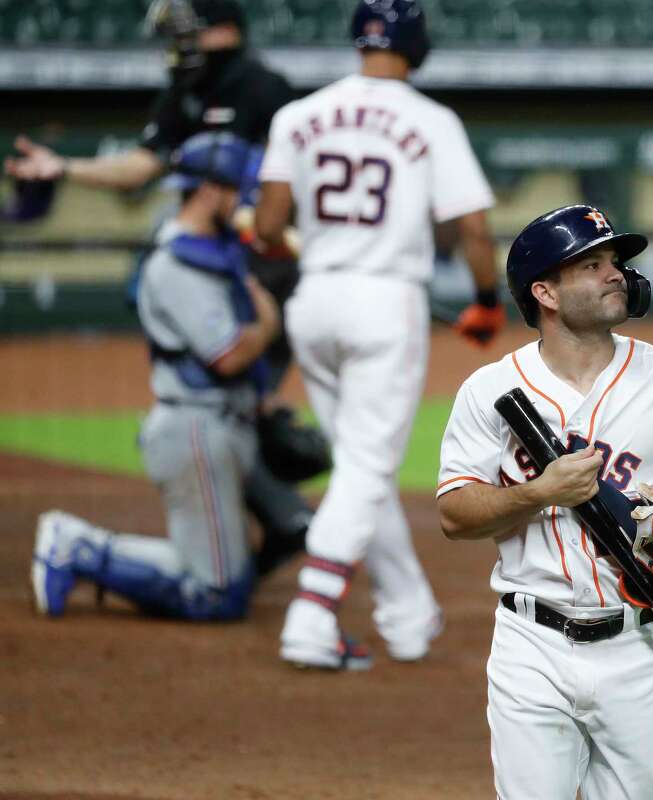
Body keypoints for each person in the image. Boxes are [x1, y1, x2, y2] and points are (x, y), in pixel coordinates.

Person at [436, 205, 653, 798]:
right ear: (544, 292)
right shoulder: (489, 390)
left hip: (635, 643)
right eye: (590, 265)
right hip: (530, 643)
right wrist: (543, 493)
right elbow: (454, 512)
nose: (614, 273)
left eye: (614, 262)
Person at [5, 0, 326, 577]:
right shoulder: (186, 90)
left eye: (186, 32)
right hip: (216, 262)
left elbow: (305, 173)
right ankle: (274, 520)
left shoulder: (261, 86)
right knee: (231, 394)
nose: (177, 46)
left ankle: (271, 520)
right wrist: (66, 169)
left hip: (268, 267)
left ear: (220, 29)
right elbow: (142, 163)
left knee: (246, 396)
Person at [255, 0, 504, 670]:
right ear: (416, 47)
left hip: (315, 300)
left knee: (364, 467)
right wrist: (485, 302)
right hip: (385, 303)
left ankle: (407, 613)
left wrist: (308, 243)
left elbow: (268, 223)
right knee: (366, 465)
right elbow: (474, 229)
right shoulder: (431, 120)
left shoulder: (296, 116)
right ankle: (312, 613)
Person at [31, 132, 280, 621]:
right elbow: (228, 355)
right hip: (194, 427)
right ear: (209, 189)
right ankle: (78, 546)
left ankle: (208, 562)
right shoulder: (175, 265)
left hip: (223, 423)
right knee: (216, 595)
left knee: (283, 533)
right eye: (236, 189)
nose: (245, 200)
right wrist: (268, 325)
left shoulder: (217, 251)